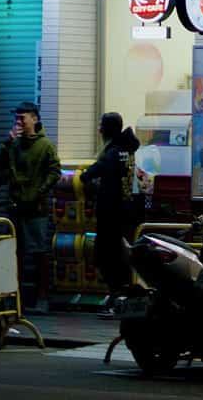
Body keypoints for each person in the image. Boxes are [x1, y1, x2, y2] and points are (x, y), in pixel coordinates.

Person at [0, 101, 61, 315]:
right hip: (14, 206)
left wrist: (39, 192)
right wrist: (7, 143)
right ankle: (14, 297)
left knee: (39, 252)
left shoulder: (45, 146)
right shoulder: (14, 144)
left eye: (23, 117)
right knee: (15, 253)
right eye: (17, 118)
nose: (19, 122)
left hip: (36, 208)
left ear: (35, 118)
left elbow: (54, 171)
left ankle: (42, 296)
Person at [80, 112, 140, 317]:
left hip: (110, 214)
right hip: (125, 213)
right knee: (119, 257)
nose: (98, 130)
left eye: (101, 126)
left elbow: (92, 172)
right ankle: (120, 296)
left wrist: (86, 177)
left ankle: (118, 298)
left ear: (109, 129)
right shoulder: (126, 150)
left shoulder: (113, 153)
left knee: (108, 258)